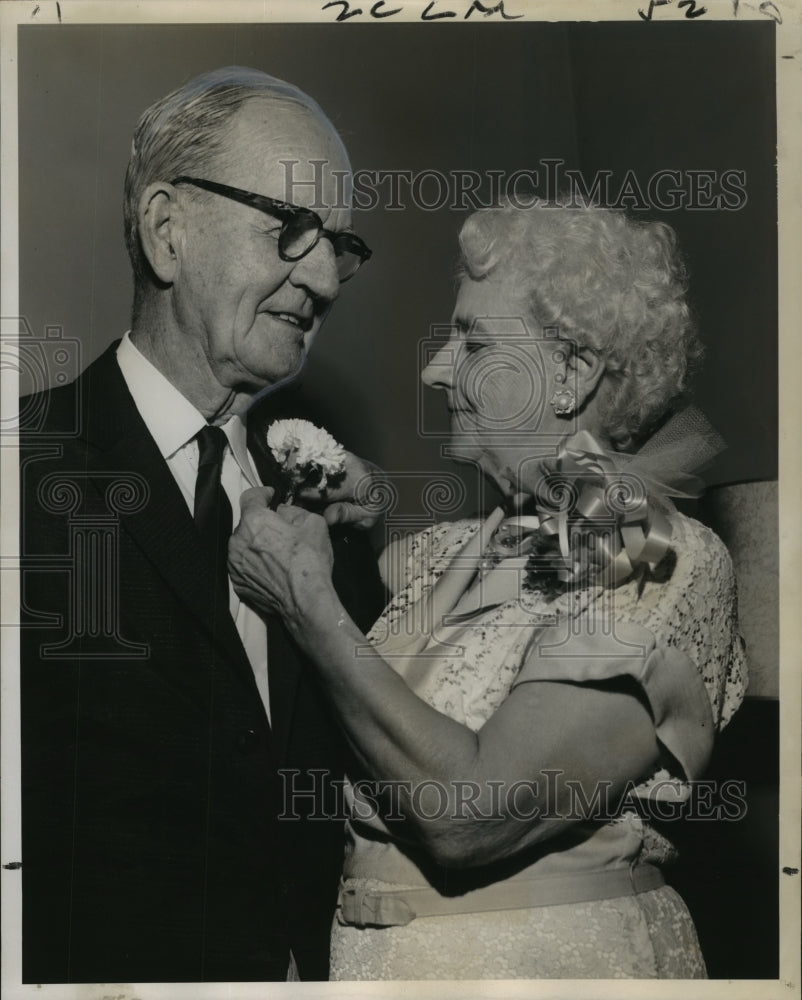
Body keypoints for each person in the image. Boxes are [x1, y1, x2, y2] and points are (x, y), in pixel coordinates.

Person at [228, 201, 748, 979]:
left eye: (471, 341)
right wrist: (354, 528)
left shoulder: (655, 558)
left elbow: (467, 815)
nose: (436, 369)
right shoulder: (440, 554)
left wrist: (310, 605)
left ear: (570, 375)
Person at [19, 66, 384, 983]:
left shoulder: (325, 503)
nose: (327, 275)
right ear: (167, 230)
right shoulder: (25, 468)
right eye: (291, 227)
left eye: (340, 243)